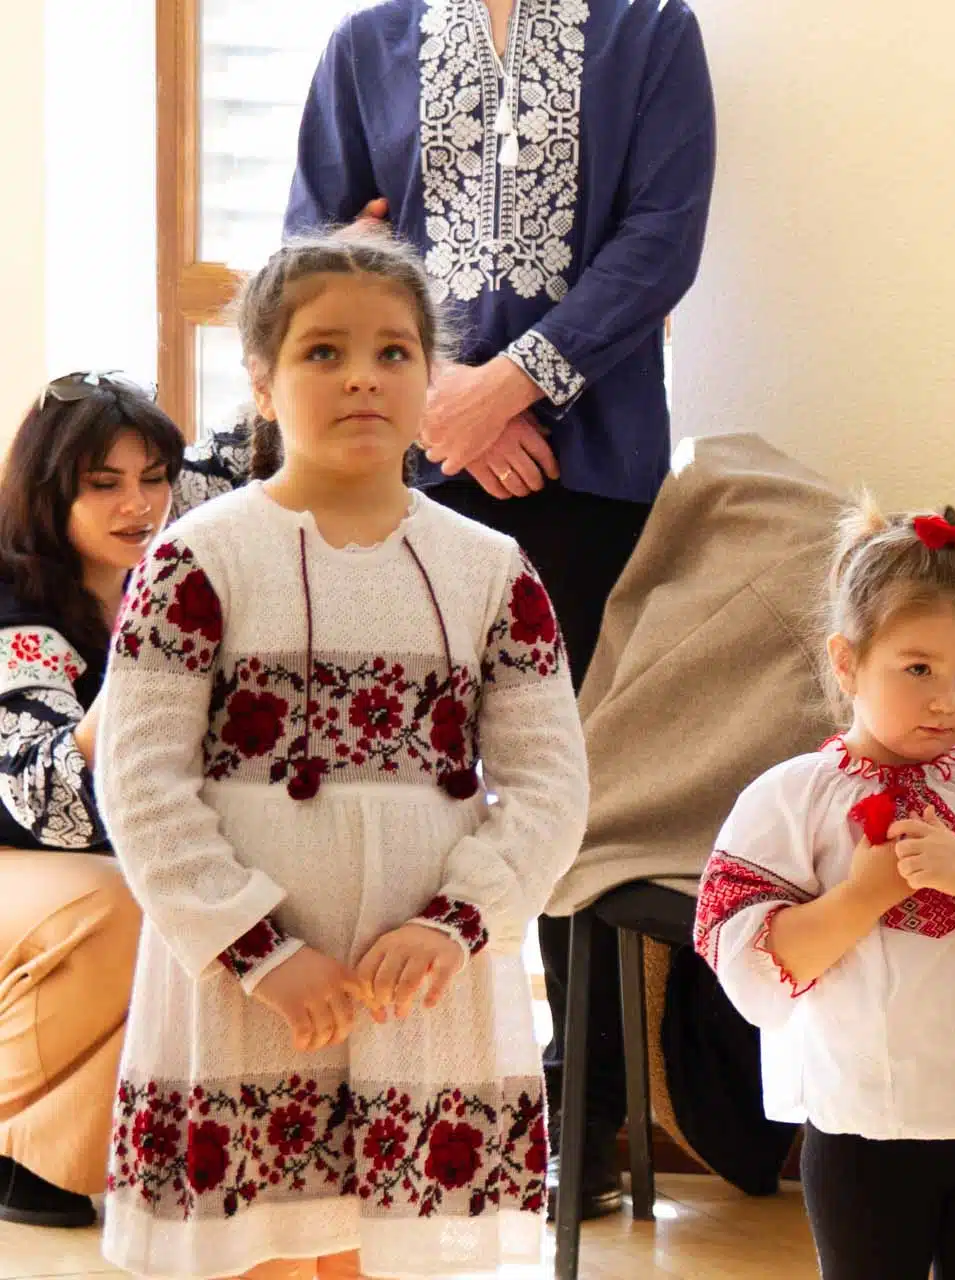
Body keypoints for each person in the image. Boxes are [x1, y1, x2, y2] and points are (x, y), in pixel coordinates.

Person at [284, 0, 716, 1213]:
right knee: (389, 772)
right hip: (402, 470)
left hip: (591, 470)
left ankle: (582, 1113)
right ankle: (378, 1094)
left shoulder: (651, 30)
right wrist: (439, 402)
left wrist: (517, 383)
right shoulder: (367, 44)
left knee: (565, 781)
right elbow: (317, 253)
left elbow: (661, 238)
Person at [93, 234, 589, 1278]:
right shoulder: (193, 559)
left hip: (424, 987)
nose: (363, 375)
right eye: (323, 351)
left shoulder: (494, 570)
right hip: (244, 989)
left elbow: (550, 784)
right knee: (262, 1254)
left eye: (393, 352)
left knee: (384, 1255)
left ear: (430, 376)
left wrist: (460, 922)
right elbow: (139, 782)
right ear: (261, 383)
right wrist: (254, 947)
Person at [693, 504, 955, 1280]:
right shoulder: (789, 800)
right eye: (917, 669)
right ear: (847, 662)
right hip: (859, 1132)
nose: (947, 701)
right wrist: (862, 895)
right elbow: (754, 966)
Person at [0, 375, 187, 1229]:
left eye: (154, 477)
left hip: (98, 863)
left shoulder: (168, 577)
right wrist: (143, 661)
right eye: (103, 484)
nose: (137, 504)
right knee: (127, 903)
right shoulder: (15, 605)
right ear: (49, 493)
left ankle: (49, 1160)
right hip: (24, 853)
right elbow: (47, 800)